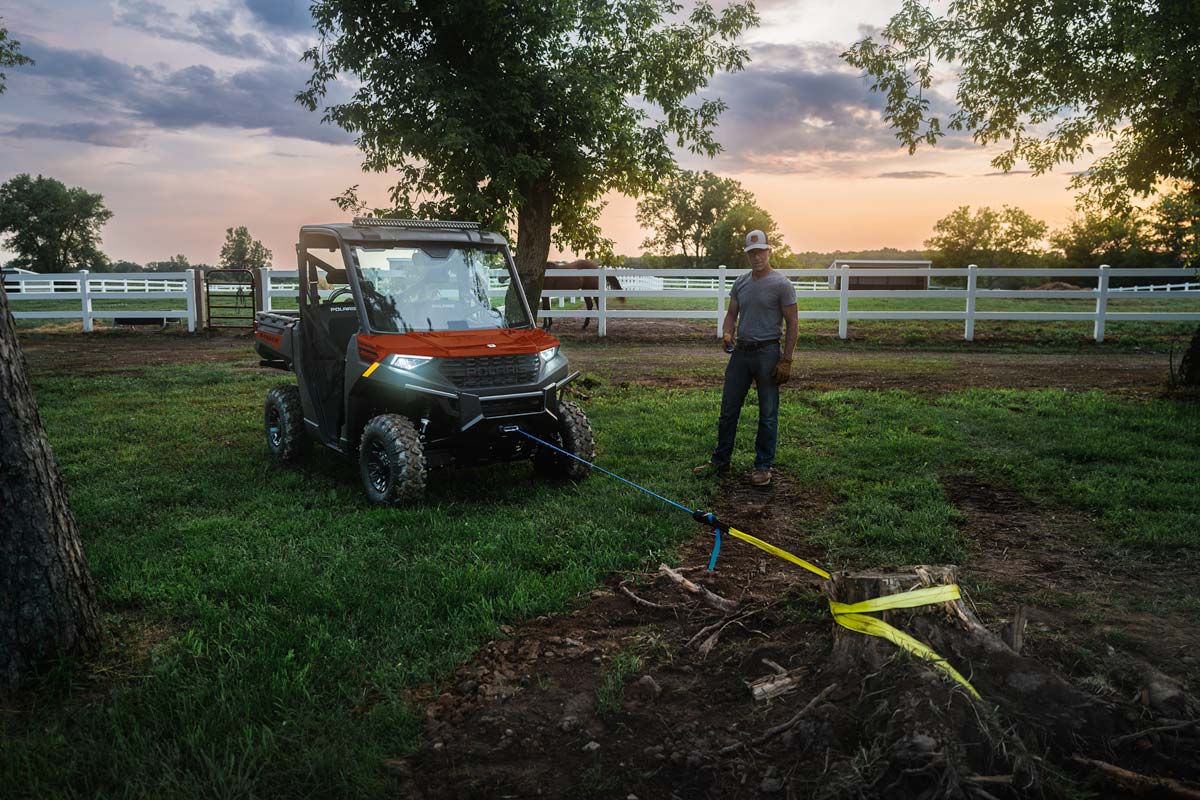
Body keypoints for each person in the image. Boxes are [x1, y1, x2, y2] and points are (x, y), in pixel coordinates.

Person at [693, 230, 798, 487]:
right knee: (728, 409)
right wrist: (728, 333)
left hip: (768, 353)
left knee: (768, 413)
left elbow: (793, 323)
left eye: (760, 251)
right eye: (752, 253)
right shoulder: (740, 282)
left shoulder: (782, 284)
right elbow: (731, 314)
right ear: (747, 255)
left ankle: (763, 466)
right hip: (741, 353)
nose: (756, 257)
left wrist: (786, 359)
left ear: (769, 251)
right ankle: (720, 461)